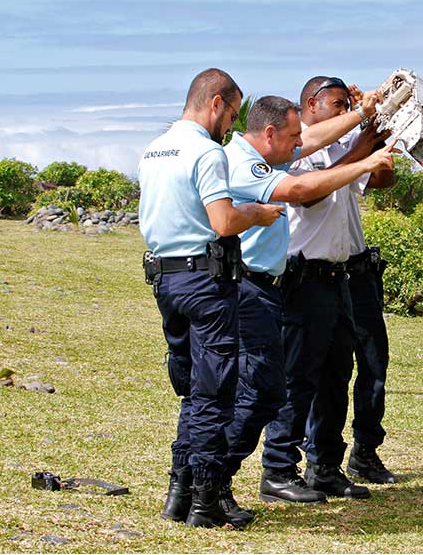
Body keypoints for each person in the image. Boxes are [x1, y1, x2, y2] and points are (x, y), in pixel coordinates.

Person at [221, 95, 395, 508]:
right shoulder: (263, 159)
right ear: (311, 104)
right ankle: (279, 469)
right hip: (296, 280)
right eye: (337, 105)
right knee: (295, 380)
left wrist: (365, 122)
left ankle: (324, 467)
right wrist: (365, 156)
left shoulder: (293, 145)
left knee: (337, 375)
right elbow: (304, 192)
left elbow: (316, 140)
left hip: (341, 277)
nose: (300, 140)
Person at [137, 68, 283, 528]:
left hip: (165, 280)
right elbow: (222, 221)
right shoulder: (206, 151)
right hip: (205, 282)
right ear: (216, 102)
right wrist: (256, 215)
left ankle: (178, 494)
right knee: (215, 394)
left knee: (192, 390)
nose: (232, 127)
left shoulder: (153, 149)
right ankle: (205, 501)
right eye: (233, 115)